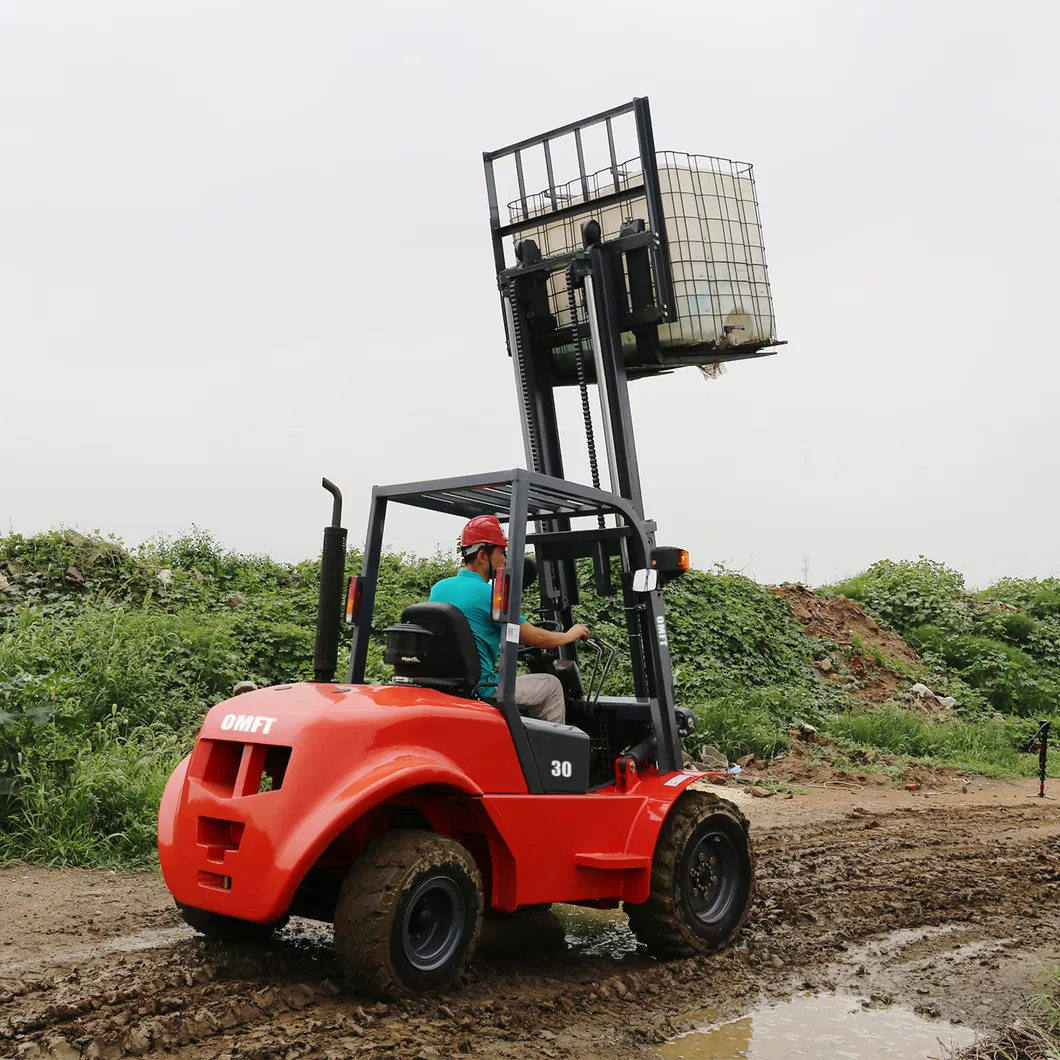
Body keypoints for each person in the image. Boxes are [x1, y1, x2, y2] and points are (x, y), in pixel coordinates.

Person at [429, 515, 589, 724]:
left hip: (447, 686)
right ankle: (551, 746)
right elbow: (536, 637)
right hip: (482, 688)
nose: (505, 560)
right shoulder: (491, 595)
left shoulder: (439, 588)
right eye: (501, 552)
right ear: (482, 555)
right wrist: (570, 635)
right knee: (551, 686)